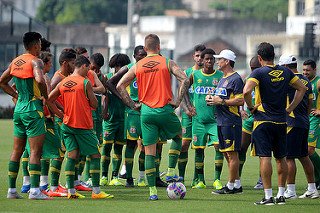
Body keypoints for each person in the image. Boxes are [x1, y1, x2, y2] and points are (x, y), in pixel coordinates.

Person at [116, 34, 190, 200]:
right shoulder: (167, 62)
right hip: (164, 110)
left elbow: (120, 85)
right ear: (158, 47)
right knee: (179, 136)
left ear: (145, 47)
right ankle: (171, 171)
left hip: (146, 113)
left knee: (149, 151)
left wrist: (133, 105)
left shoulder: (138, 65)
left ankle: (152, 193)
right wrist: (178, 100)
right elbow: (185, 79)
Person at [243, 42, 307, 205]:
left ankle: (268, 196)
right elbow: (302, 89)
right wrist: (290, 107)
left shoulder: (258, 72)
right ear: (274, 55)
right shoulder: (285, 71)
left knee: (265, 157)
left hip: (263, 121)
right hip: (281, 121)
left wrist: (251, 107)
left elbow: (246, 91)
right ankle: (281, 195)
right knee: (281, 158)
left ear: (259, 57)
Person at [47, 55, 114, 199]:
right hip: (83, 126)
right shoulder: (85, 83)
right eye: (88, 68)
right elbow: (95, 104)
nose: (89, 71)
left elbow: (49, 99)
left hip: (67, 125)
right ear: (83, 66)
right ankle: (96, 192)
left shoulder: (64, 82)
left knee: (71, 156)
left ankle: (71, 192)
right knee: (95, 155)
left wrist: (60, 114)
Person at [0, 32, 50, 199]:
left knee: (17, 150)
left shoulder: (16, 61)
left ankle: (12, 190)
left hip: (19, 109)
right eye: (40, 44)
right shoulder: (36, 61)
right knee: (36, 151)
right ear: (35, 45)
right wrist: (45, 97)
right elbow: (41, 80)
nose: (41, 47)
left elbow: (2, 81)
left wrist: (15, 95)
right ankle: (35, 191)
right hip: (33, 109)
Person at [278, 55, 319, 199]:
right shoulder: (306, 80)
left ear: (286, 66)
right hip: (304, 121)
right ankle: (312, 188)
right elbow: (310, 103)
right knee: (304, 156)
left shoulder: (288, 80)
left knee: (289, 157)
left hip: (292, 123)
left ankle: (291, 191)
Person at [206, 49, 244, 195]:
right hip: (222, 120)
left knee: (232, 154)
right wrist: (212, 100)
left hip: (231, 121)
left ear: (227, 61)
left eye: (219, 59)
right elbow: (221, 99)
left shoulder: (236, 78)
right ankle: (237, 184)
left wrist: (221, 101)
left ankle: (230, 185)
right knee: (227, 154)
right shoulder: (223, 78)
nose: (217, 61)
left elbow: (240, 100)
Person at [185, 48, 224, 189]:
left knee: (219, 147)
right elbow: (183, 89)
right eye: (206, 59)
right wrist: (188, 105)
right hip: (198, 120)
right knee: (199, 149)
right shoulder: (195, 75)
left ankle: (217, 179)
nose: (209, 61)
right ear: (202, 60)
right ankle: (200, 180)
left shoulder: (220, 76)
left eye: (211, 59)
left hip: (214, 120)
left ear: (214, 60)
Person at [179, 44, 207, 187]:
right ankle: (181, 177)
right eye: (197, 56)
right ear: (193, 57)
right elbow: (181, 92)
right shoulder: (187, 72)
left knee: (199, 146)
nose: (199, 59)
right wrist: (187, 107)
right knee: (184, 144)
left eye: (202, 56)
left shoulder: (208, 74)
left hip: (201, 116)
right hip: (187, 114)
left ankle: (198, 178)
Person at [100, 53, 130, 186]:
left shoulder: (128, 80)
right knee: (106, 147)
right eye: (118, 66)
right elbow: (104, 96)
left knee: (118, 148)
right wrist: (104, 112)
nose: (119, 69)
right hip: (110, 118)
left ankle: (114, 177)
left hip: (123, 119)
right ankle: (104, 176)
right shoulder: (108, 77)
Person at [238, 56, 263, 189]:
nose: (253, 71)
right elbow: (241, 97)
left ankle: (261, 180)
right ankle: (237, 178)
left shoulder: (265, 80)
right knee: (241, 148)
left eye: (256, 69)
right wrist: (241, 110)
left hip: (261, 119)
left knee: (262, 151)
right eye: (252, 68)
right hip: (248, 120)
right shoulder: (248, 80)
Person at [302, 59, 320, 190]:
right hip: (306, 119)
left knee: (309, 150)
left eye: (307, 70)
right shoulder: (304, 82)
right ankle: (317, 180)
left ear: (314, 69)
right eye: (303, 70)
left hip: (316, 119)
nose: (305, 72)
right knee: (304, 150)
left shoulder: (318, 82)